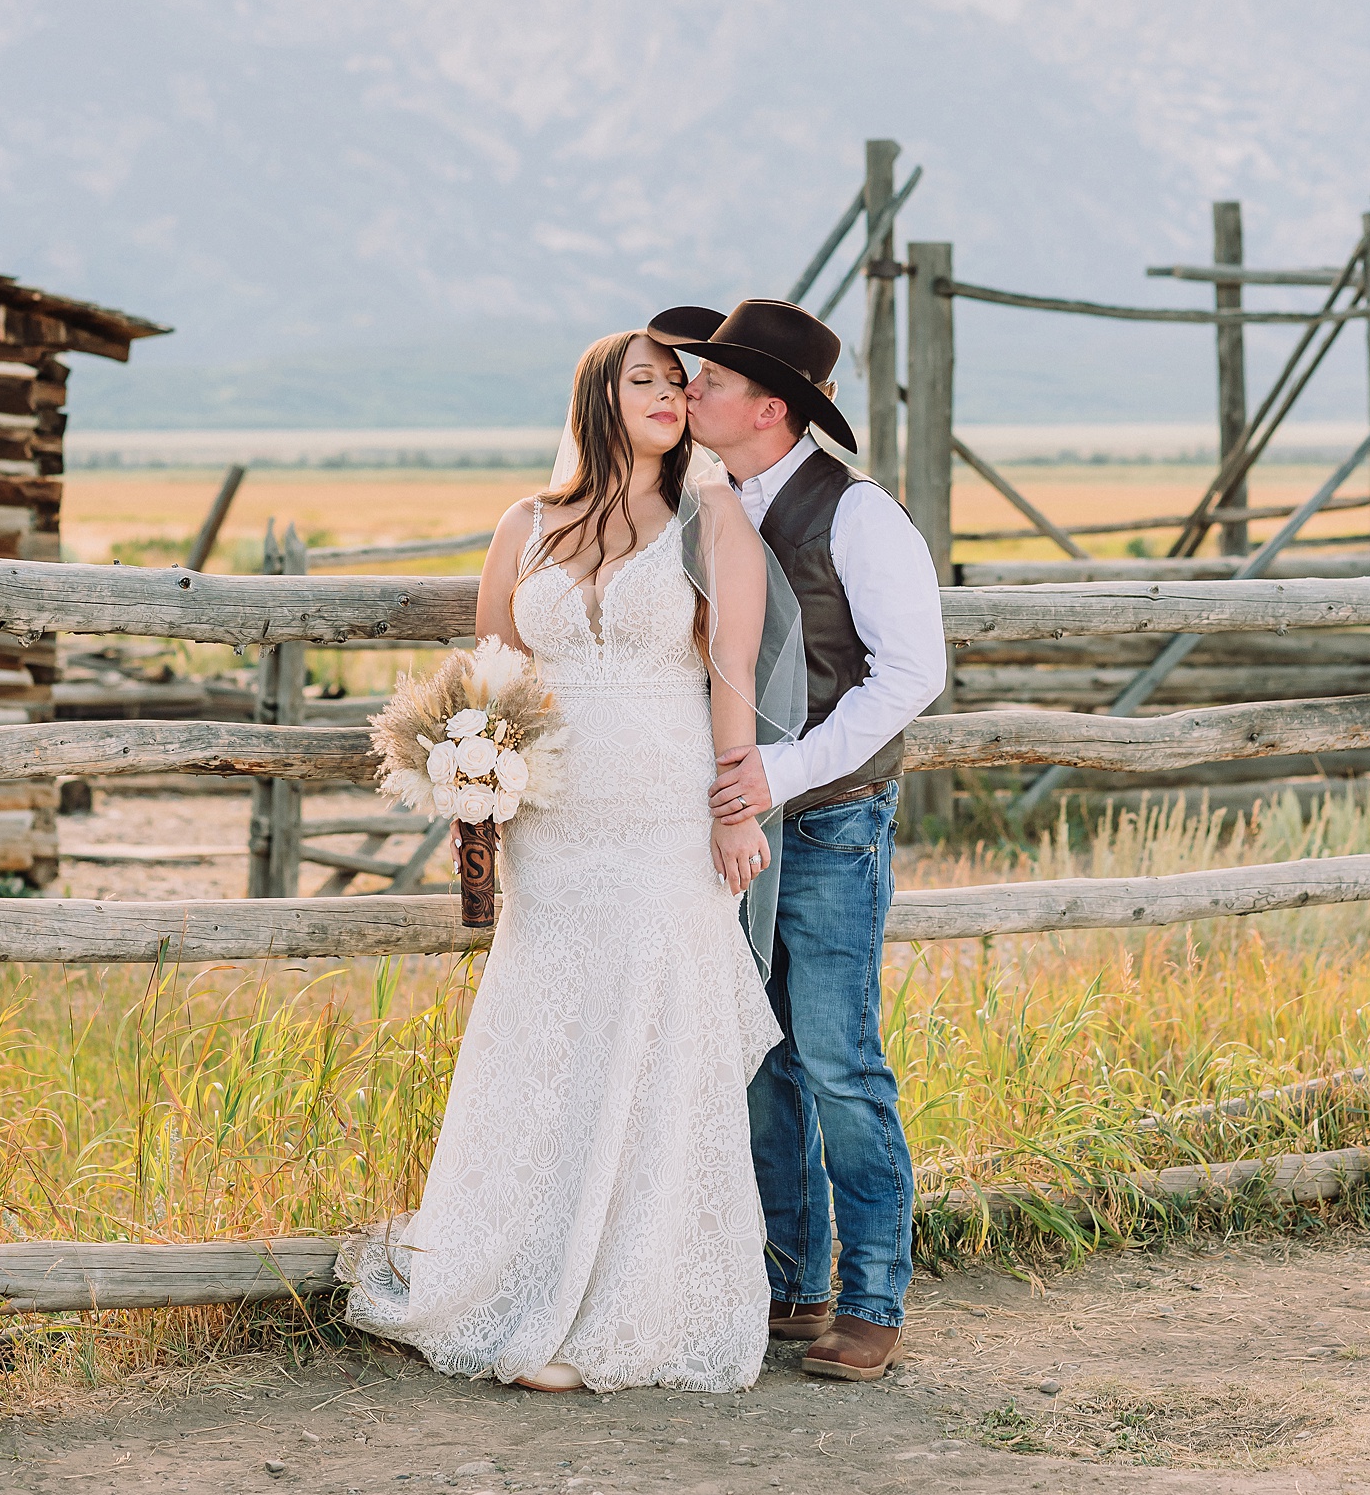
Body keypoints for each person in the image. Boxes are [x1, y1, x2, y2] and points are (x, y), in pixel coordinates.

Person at [341, 331, 783, 1394]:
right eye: (647, 382)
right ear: (598, 395)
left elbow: (732, 673)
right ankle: (521, 1280)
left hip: (663, 812)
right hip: (556, 822)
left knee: (653, 1034)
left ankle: (620, 1312)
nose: (671, 398)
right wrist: (473, 778)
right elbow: (496, 672)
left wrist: (731, 807)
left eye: (681, 385)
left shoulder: (709, 515)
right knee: (550, 1033)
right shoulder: (524, 525)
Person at [646, 298, 948, 1385]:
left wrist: (784, 769)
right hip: (732, 824)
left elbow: (912, 674)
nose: (692, 395)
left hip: (825, 820)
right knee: (755, 1054)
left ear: (768, 408)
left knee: (837, 1060)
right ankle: (792, 1282)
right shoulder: (705, 500)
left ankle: (871, 1301)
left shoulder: (859, 516)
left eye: (712, 383)